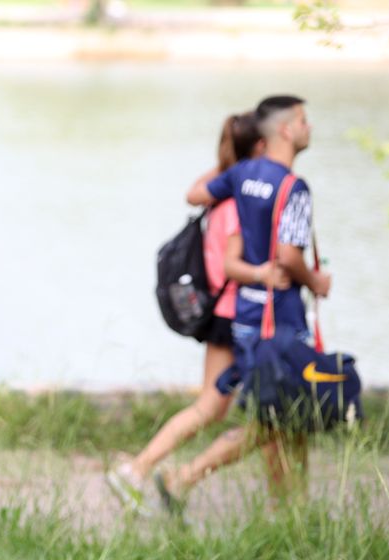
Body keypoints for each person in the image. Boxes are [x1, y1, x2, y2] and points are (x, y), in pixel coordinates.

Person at [154, 94, 332, 511]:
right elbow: (289, 256)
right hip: (282, 317)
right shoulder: (294, 188)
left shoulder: (240, 175)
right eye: (304, 120)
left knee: (288, 418)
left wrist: (230, 160)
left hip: (248, 318)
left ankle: (289, 509)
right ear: (286, 130)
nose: (310, 128)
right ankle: (184, 478)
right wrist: (316, 280)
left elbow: (197, 194)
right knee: (277, 420)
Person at [107, 111, 286, 511]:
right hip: (234, 316)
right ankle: (141, 470)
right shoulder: (242, 200)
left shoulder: (219, 192)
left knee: (238, 409)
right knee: (240, 409)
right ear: (259, 147)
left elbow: (197, 190)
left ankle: (145, 471)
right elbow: (232, 264)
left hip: (224, 314)